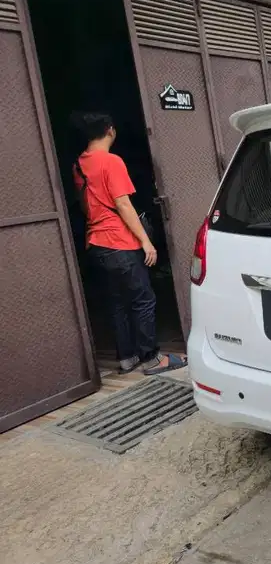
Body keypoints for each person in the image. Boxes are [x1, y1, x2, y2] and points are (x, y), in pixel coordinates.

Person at [71, 112, 186, 375]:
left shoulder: (78, 165)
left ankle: (127, 358)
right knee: (143, 299)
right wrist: (146, 242)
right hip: (119, 243)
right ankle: (152, 358)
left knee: (117, 302)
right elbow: (123, 204)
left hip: (96, 244)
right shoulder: (112, 162)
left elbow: (84, 203)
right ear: (110, 130)